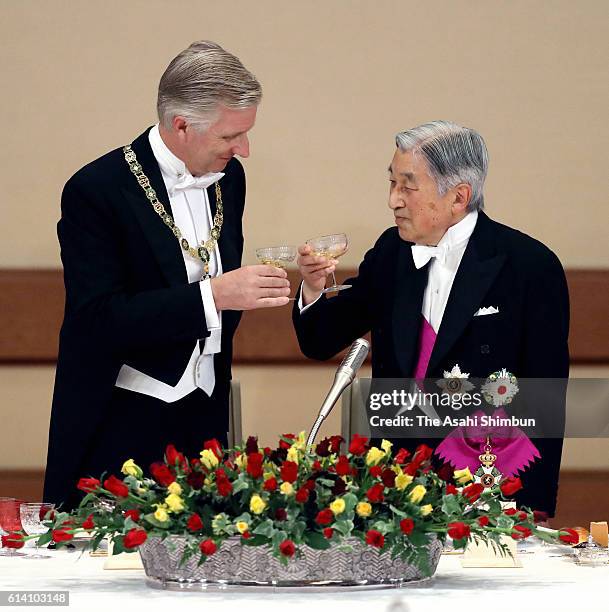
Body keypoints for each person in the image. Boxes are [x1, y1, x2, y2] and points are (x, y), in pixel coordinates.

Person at [44, 41, 290, 510]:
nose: (244, 150)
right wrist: (213, 295)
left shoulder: (229, 178)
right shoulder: (95, 191)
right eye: (230, 136)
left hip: (205, 412)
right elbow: (96, 318)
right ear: (181, 126)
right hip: (121, 419)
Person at [293, 121, 569, 517]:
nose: (393, 200)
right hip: (396, 488)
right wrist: (314, 288)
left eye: (407, 186)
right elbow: (319, 340)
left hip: (486, 483)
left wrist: (530, 506)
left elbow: (546, 395)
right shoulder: (392, 253)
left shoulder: (529, 266)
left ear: (458, 197)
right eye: (391, 183)